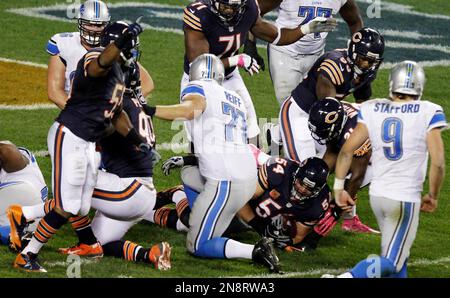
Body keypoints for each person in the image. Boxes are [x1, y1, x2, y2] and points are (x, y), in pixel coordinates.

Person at [9, 22, 171, 270]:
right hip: (71, 134)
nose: (132, 53)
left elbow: (117, 115)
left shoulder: (119, 74)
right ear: (116, 46)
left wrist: (138, 142)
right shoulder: (94, 57)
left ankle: (40, 230)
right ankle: (27, 247)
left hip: (85, 141)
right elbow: (99, 65)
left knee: (79, 205)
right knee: (69, 203)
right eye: (128, 47)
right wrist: (118, 44)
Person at [149, 53, 281, 273]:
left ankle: (256, 250)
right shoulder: (234, 97)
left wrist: (151, 110)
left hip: (226, 182)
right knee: (189, 173)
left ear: (194, 74)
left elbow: (191, 110)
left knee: (197, 245)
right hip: (248, 178)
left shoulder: (197, 87)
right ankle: (217, 219)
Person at [326, 61, 446, 278]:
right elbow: (438, 161)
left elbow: (346, 151)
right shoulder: (429, 111)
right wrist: (433, 195)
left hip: (378, 196)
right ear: (419, 86)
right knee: (392, 260)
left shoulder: (374, 108)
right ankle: (347, 277)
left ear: (392, 83)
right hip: (404, 198)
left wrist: (338, 188)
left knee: (399, 253)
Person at [182, 0, 337, 142]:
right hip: (199, 82)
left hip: (229, 76)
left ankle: (256, 169)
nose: (229, 11)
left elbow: (278, 36)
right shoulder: (199, 15)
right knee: (199, 142)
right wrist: (236, 60)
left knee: (251, 132)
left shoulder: (248, 9)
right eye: (225, 6)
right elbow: (201, 67)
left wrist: (305, 29)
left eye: (234, 7)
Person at [277, 27, 384, 163]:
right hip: (300, 114)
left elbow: (362, 102)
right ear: (354, 53)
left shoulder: (366, 72)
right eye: (365, 59)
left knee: (341, 156)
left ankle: (277, 135)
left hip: (323, 122)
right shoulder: (335, 63)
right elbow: (327, 104)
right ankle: (273, 145)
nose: (367, 65)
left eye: (373, 61)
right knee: (304, 169)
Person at [245, 0, 364, 104]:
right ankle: (277, 130)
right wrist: (250, 45)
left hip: (317, 55)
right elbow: (253, 13)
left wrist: (358, 54)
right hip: (284, 53)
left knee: (318, 106)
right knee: (289, 106)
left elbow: (355, 22)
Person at [47, 0, 153, 109]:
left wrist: (122, 108)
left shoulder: (111, 46)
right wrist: (80, 115)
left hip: (107, 117)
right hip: (76, 115)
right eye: (90, 24)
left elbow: (147, 83)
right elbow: (54, 92)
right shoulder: (64, 44)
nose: (94, 29)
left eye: (99, 25)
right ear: (80, 22)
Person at [304, 98, 379, 242]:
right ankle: (346, 220)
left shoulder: (356, 131)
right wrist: (317, 179)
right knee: (317, 176)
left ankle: (339, 223)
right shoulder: (337, 116)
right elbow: (333, 149)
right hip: (356, 136)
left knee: (346, 187)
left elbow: (357, 175)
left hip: (384, 155)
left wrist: (334, 213)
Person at [0, 142, 47, 248]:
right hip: (38, 217)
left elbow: (6, 150)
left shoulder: (10, 155)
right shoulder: (22, 157)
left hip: (20, 201)